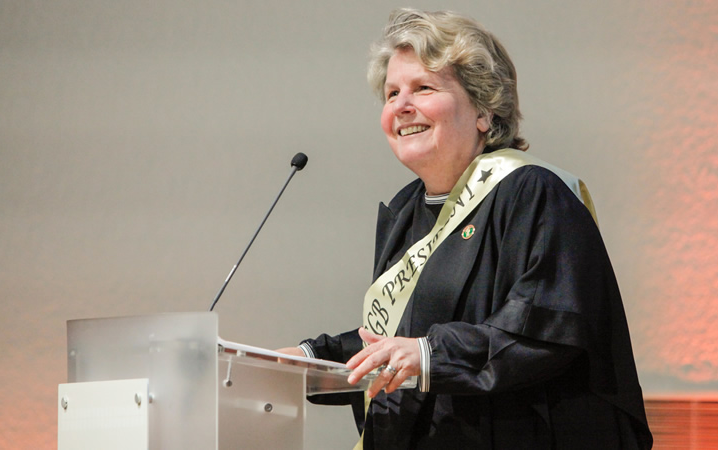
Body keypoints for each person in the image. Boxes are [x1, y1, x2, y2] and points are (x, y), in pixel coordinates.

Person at [278, 8, 653, 449]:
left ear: (483, 109)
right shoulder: (406, 211)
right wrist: (303, 362)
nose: (401, 105)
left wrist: (427, 354)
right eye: (391, 92)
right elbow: (398, 339)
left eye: (424, 88)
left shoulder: (532, 191)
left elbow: (545, 328)